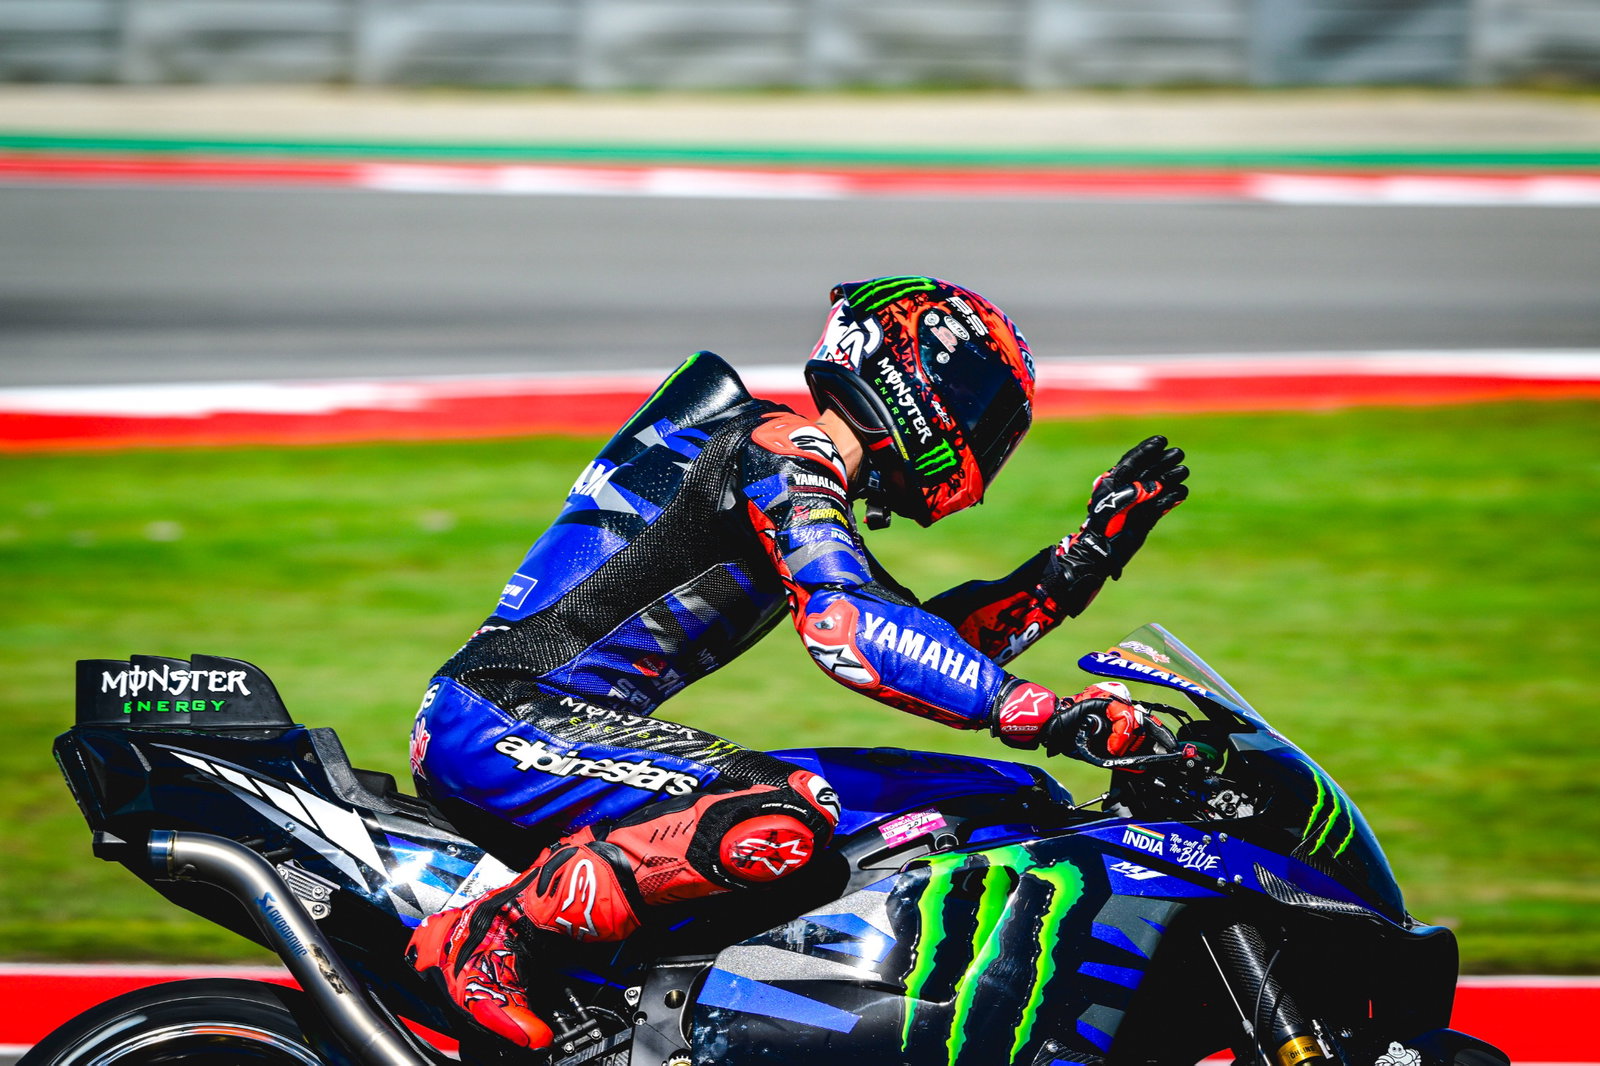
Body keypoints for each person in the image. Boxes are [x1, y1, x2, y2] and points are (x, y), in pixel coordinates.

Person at [405, 275, 1189, 1049]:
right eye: (977, 404)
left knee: (896, 805)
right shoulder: (782, 448)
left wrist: (1084, 558)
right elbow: (850, 629)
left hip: (538, 723)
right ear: (906, 371)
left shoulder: (796, 476)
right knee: (780, 812)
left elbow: (935, 645)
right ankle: (491, 936)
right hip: (499, 718)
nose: (985, 438)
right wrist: (1049, 716)